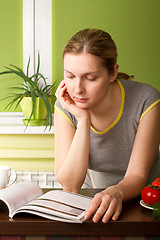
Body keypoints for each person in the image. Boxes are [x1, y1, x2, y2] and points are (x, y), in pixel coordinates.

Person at [54, 28, 160, 223]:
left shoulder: (146, 100)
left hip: (147, 203)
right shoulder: (65, 105)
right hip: (95, 201)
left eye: (90, 78)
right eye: (70, 76)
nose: (78, 89)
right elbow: (70, 185)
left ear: (113, 73)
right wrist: (83, 119)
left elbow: (137, 175)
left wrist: (115, 191)